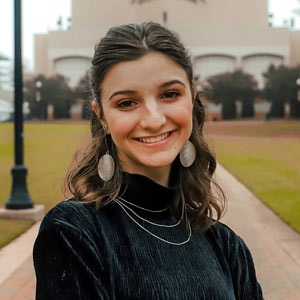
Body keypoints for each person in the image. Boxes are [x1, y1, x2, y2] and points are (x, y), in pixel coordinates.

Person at [33, 22, 264, 300]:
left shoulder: (226, 245)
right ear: (102, 116)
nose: (154, 120)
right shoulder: (73, 232)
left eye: (169, 94)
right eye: (127, 102)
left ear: (192, 99)